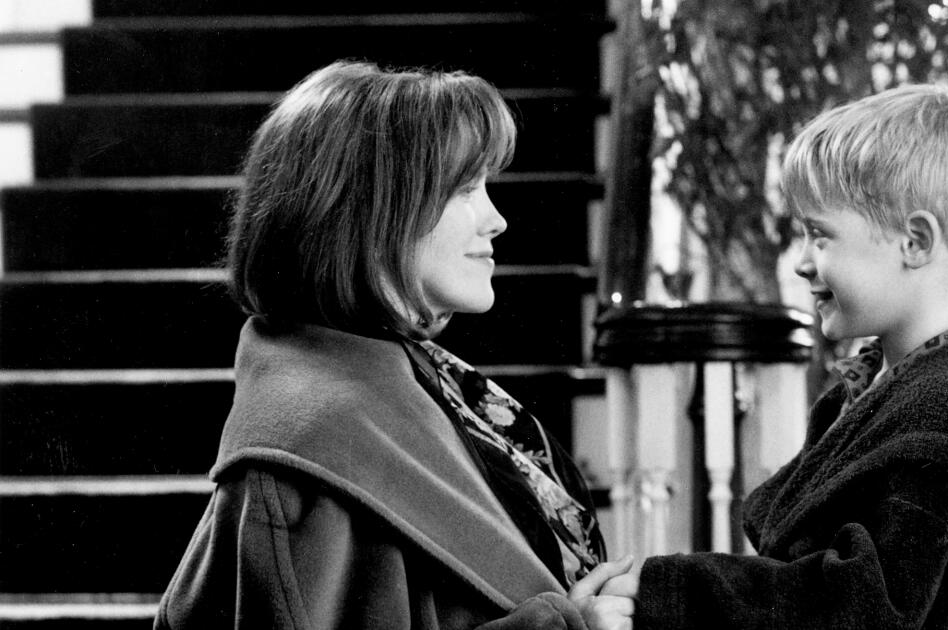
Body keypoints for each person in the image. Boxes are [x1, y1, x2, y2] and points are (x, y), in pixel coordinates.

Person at [154, 60, 636, 630]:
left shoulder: (408, 377)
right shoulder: (307, 459)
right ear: (371, 212)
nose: (496, 220)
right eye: (465, 189)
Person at [585, 83, 948, 629]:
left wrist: (673, 593)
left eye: (819, 236)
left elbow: (866, 608)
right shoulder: (882, 384)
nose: (802, 262)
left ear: (916, 241)